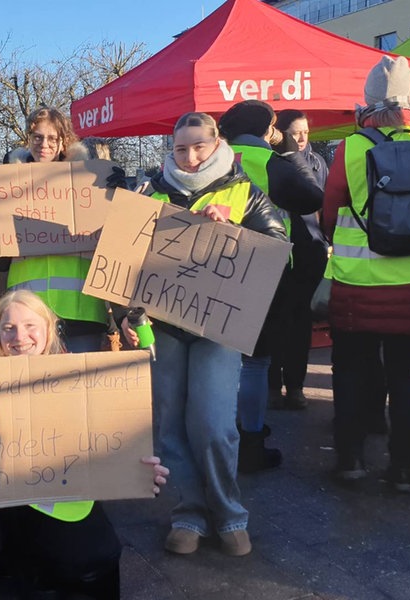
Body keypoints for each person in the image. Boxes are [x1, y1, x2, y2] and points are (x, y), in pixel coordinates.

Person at [0, 290, 168, 598]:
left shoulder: (79, 380)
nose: (19, 336)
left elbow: (110, 441)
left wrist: (137, 470)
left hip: (59, 498)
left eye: (30, 326)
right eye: (9, 327)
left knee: (94, 555)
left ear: (48, 329)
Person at [128, 112, 286, 556]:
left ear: (217, 144)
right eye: (181, 149)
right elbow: (126, 256)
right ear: (170, 151)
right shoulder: (151, 191)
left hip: (218, 325)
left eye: (199, 146)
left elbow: (277, 250)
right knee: (170, 422)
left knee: (214, 424)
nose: (191, 156)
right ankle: (190, 512)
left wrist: (234, 230)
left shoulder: (245, 192)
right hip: (164, 326)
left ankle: (228, 512)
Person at [321, 56, 410, 492]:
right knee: (404, 375)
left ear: (367, 102)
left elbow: (330, 211)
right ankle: (403, 470)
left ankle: (351, 459)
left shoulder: (352, 148)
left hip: (359, 281)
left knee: (352, 371)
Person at [218, 101, 323, 473]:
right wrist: (289, 150)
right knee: (256, 363)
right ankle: (251, 442)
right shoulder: (271, 162)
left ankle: (220, 438)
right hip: (267, 267)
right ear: (265, 129)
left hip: (214, 270)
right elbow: (313, 197)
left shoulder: (212, 160)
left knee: (221, 360)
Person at [1, 107, 110, 353]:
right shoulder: (5, 184)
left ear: (63, 142)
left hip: (81, 307)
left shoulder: (90, 182)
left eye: (52, 138)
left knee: (81, 386)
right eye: (37, 137)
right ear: (28, 139)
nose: (44, 144)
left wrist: (116, 193)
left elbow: (112, 233)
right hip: (27, 309)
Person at [266, 109, 330, 411]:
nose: (302, 137)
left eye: (306, 131)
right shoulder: (272, 161)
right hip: (277, 251)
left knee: (300, 321)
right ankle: (271, 385)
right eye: (295, 132)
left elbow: (325, 205)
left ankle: (295, 386)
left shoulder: (317, 162)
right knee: (274, 320)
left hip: (310, 250)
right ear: (280, 133)